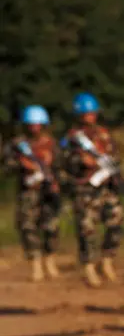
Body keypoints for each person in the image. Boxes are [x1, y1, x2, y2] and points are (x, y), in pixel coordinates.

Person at [62, 93, 124, 287]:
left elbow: (115, 156)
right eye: (85, 113)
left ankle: (107, 261)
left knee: (116, 219)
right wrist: (80, 161)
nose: (90, 116)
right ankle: (89, 267)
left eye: (92, 113)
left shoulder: (104, 134)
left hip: (106, 188)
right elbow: (62, 163)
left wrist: (112, 169)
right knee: (87, 229)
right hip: (85, 190)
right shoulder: (71, 139)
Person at [2, 105, 62, 281]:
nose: (34, 127)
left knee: (51, 227)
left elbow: (61, 166)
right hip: (28, 193)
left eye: (37, 124)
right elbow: (6, 167)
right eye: (30, 124)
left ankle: (49, 260)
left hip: (48, 192)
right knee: (28, 227)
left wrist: (57, 182)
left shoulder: (52, 144)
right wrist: (21, 164)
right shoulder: (18, 145)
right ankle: (36, 264)